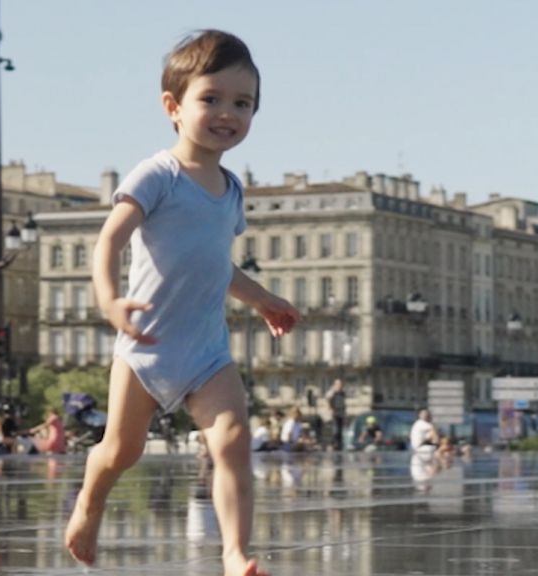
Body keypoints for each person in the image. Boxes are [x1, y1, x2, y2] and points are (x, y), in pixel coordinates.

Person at [63, 30, 299, 576]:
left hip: (207, 350)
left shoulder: (232, 189)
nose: (227, 113)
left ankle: (235, 552)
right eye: (211, 98)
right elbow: (110, 239)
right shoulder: (158, 175)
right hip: (147, 346)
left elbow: (218, 264)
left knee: (234, 441)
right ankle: (89, 502)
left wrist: (262, 300)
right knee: (122, 451)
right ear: (173, 107)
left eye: (243, 104)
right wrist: (109, 298)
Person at [326, 379, 347, 451]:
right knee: (336, 429)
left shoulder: (342, 393)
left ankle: (339, 444)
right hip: (335, 412)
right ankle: (333, 443)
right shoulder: (332, 392)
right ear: (335, 385)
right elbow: (328, 399)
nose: (340, 386)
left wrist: (344, 413)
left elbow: (344, 403)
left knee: (341, 429)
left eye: (341, 384)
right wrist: (330, 409)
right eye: (338, 384)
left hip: (341, 412)